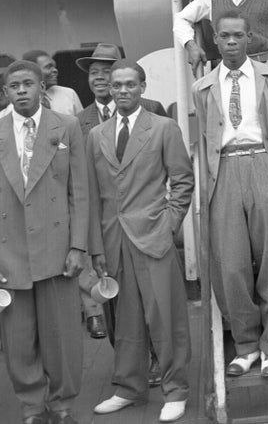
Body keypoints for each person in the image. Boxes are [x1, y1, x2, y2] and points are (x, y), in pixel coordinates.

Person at [88, 59, 194, 423]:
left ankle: (176, 390)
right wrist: (96, 248)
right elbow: (92, 195)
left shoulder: (164, 128)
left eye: (129, 84)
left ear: (142, 87)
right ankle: (129, 388)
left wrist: (169, 225)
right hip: (113, 241)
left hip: (153, 235)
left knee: (166, 317)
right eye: (116, 84)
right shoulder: (96, 136)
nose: (121, 90)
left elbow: (182, 181)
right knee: (125, 320)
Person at [192, 12, 268, 378]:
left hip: (263, 165)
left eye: (238, 35)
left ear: (249, 38)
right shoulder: (203, 87)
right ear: (215, 41)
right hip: (224, 173)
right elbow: (205, 140)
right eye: (224, 35)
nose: (232, 41)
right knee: (231, 265)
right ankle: (246, 345)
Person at [0, 58, 88, 424]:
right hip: (10, 250)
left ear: (42, 88)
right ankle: (33, 407)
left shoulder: (66, 127)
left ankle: (62, 402)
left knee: (62, 335)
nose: (21, 90)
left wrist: (78, 246)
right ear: (5, 92)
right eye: (14, 85)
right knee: (18, 339)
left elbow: (79, 192)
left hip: (57, 247)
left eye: (27, 84)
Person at [22, 50, 82, 115]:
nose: (55, 70)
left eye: (54, 67)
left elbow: (83, 123)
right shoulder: (21, 100)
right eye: (48, 67)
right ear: (31, 71)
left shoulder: (69, 94)